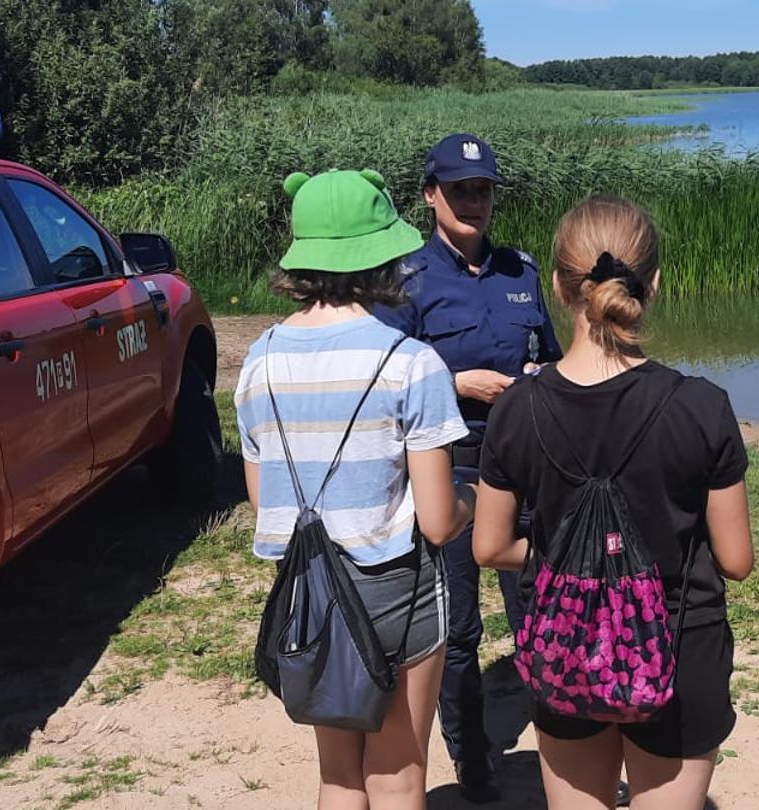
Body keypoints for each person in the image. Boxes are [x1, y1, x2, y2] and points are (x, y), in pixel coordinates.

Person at [472, 195, 755, 810]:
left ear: (556, 285)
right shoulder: (701, 406)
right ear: (652, 283)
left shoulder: (516, 409)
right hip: (681, 646)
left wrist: (559, 553)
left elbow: (490, 546)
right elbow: (734, 559)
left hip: (566, 643)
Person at [237, 168, 476, 810]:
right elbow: (435, 519)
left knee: (337, 774)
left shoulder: (258, 359)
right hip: (393, 586)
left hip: (307, 589)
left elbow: (267, 504)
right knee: (397, 773)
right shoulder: (411, 363)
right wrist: (468, 504)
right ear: (383, 259)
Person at [373, 132, 564, 801]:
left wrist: (543, 377)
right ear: (431, 196)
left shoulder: (522, 272)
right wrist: (455, 383)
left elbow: (552, 355)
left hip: (524, 468)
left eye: (482, 190)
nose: (474, 202)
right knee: (457, 631)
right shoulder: (405, 281)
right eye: (460, 191)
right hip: (447, 469)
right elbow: (384, 379)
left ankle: (560, 759)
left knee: (539, 614)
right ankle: (474, 764)